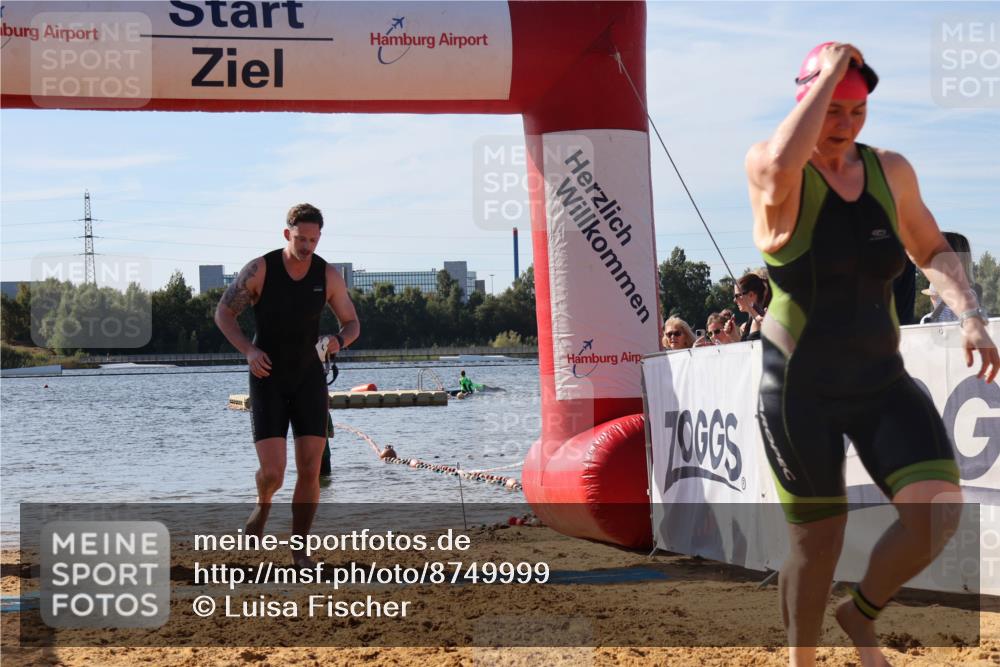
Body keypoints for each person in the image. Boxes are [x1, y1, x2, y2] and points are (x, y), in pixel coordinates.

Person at [745, 42, 997, 667]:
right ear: (804, 98)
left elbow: (932, 248)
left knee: (937, 512)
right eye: (831, 108)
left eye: (857, 110)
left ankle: (859, 614)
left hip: (880, 380)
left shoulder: (890, 170)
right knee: (818, 541)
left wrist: (969, 313)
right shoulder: (771, 167)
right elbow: (781, 157)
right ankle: (803, 660)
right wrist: (830, 69)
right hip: (798, 389)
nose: (846, 123)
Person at [214, 203, 360, 568]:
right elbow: (224, 313)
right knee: (274, 473)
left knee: (310, 468)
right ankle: (263, 505)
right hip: (267, 377)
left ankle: (300, 550)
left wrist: (338, 341)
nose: (307, 246)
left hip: (310, 378)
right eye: (301, 239)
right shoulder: (261, 269)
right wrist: (248, 350)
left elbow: (352, 323)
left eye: (313, 239)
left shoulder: (328, 275)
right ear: (286, 234)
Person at [732, 272, 770, 341]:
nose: (734, 300)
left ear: (751, 295)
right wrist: (733, 335)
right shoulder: (750, 322)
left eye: (737, 295)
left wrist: (755, 329)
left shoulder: (764, 321)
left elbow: (752, 350)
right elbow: (744, 348)